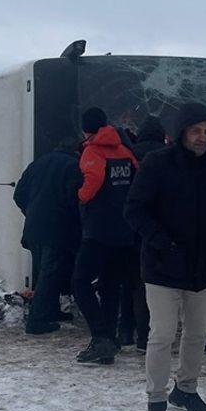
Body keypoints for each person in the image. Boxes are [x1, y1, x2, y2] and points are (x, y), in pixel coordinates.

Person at [124, 103, 206, 411]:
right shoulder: (158, 163)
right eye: (196, 131)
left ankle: (185, 389)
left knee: (199, 333)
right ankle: (156, 397)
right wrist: (163, 243)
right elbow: (134, 209)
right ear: (182, 131)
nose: (202, 138)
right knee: (162, 335)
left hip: (204, 267)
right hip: (163, 266)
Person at [72, 108, 139, 365]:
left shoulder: (93, 151)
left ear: (86, 129)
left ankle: (100, 337)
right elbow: (137, 181)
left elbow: (89, 187)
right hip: (124, 232)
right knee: (111, 287)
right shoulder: (125, 151)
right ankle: (109, 343)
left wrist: (78, 196)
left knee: (80, 281)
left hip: (98, 231)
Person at [13, 137, 82, 335]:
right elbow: (74, 200)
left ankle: (51, 311)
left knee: (45, 272)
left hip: (35, 228)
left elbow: (19, 194)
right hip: (57, 229)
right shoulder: (73, 167)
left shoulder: (39, 163)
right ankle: (37, 321)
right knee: (50, 274)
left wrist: (32, 212)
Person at [125, 115, 170, 352]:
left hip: (128, 230)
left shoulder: (128, 154)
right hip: (156, 232)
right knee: (150, 287)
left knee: (128, 282)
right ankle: (146, 336)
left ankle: (125, 332)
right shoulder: (168, 159)